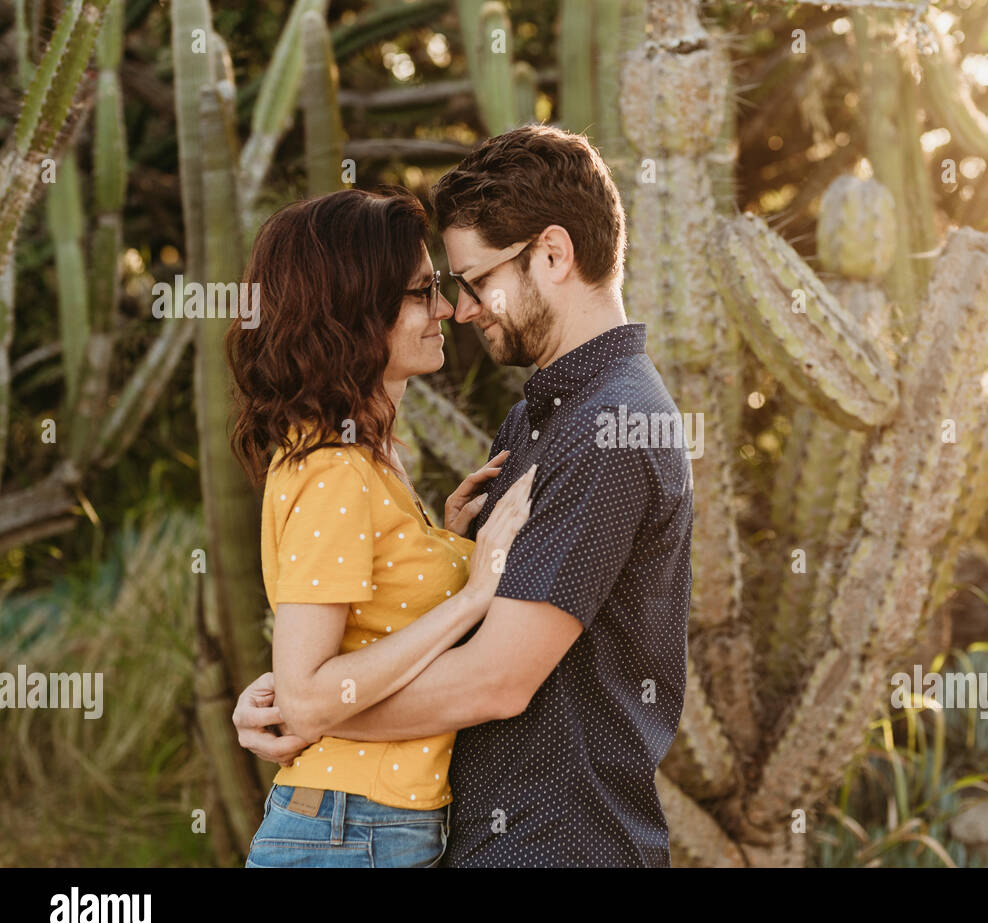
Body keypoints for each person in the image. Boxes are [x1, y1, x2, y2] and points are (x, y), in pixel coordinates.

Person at [234, 124, 694, 867]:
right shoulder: (536, 420)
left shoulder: (613, 426)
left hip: (561, 846)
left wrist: (312, 707)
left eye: (475, 280)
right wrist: (305, 686)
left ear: (552, 254)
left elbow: (497, 678)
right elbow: (457, 629)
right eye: (444, 289)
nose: (464, 307)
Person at [226, 186, 534, 867]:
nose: (449, 309)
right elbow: (308, 690)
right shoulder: (332, 468)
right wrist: (474, 592)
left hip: (366, 827)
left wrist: (447, 542)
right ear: (355, 315)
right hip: (347, 831)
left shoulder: (369, 461)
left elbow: (368, 624)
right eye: (422, 292)